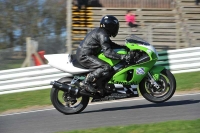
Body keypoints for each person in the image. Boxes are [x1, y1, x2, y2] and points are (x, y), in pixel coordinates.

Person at [75, 15, 131, 93]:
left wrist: (125, 48)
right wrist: (122, 57)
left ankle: (101, 86)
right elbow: (107, 52)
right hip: (85, 56)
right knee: (106, 67)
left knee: (109, 69)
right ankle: (86, 82)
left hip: (88, 54)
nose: (116, 29)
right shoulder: (102, 34)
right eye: (115, 26)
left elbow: (110, 44)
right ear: (110, 26)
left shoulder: (102, 32)